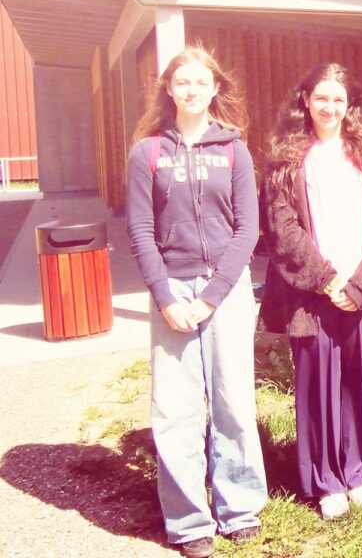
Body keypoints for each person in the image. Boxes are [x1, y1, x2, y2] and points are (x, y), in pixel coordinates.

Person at [125, 46, 267, 557]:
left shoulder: (234, 150)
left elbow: (248, 229)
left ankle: (240, 507)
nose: (191, 90)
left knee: (233, 401)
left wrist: (211, 298)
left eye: (200, 82)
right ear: (169, 88)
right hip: (172, 290)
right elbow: (139, 231)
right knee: (176, 409)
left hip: (223, 292)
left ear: (214, 89)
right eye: (181, 82)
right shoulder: (147, 153)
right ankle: (188, 522)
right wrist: (165, 297)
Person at [260, 64, 362, 520]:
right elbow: (280, 228)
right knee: (317, 387)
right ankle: (326, 481)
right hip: (313, 292)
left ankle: (360, 472)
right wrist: (326, 280)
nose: (330, 107)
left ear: (350, 106)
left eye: (339, 99)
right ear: (305, 99)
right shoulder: (286, 158)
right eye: (321, 98)